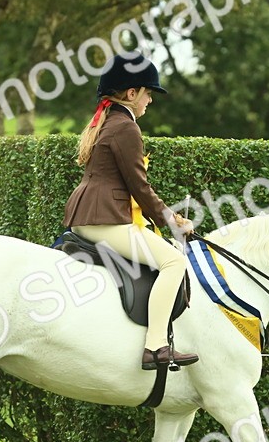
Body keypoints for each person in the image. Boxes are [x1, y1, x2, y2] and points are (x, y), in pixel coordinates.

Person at [62, 51, 198, 370]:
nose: (150, 101)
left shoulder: (109, 121)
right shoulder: (125, 127)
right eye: (148, 93)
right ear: (132, 93)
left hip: (87, 217)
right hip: (104, 219)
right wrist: (174, 222)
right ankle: (156, 347)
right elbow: (140, 188)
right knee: (174, 261)